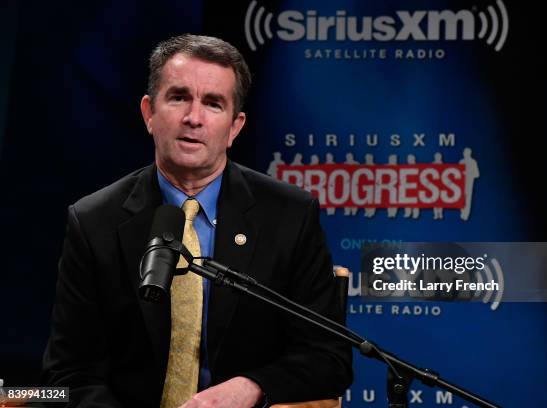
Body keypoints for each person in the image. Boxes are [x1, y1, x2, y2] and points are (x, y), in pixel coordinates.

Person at [42, 34, 352, 408]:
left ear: (235, 127)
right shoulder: (94, 222)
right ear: (148, 113)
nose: (194, 117)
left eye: (213, 103)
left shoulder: (289, 215)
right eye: (178, 97)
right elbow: (70, 374)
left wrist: (250, 388)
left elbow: (330, 359)